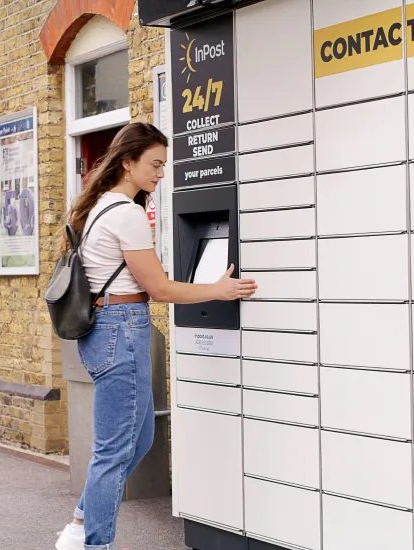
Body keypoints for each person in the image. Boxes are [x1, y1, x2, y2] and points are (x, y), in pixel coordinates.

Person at [55, 122, 257, 550]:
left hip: (110, 329)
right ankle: (95, 543)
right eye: (155, 164)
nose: (160, 173)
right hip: (120, 330)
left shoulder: (101, 207)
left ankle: (79, 525)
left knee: (141, 437)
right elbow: (160, 288)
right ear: (127, 162)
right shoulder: (125, 212)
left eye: (163, 165)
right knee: (113, 450)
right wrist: (218, 290)